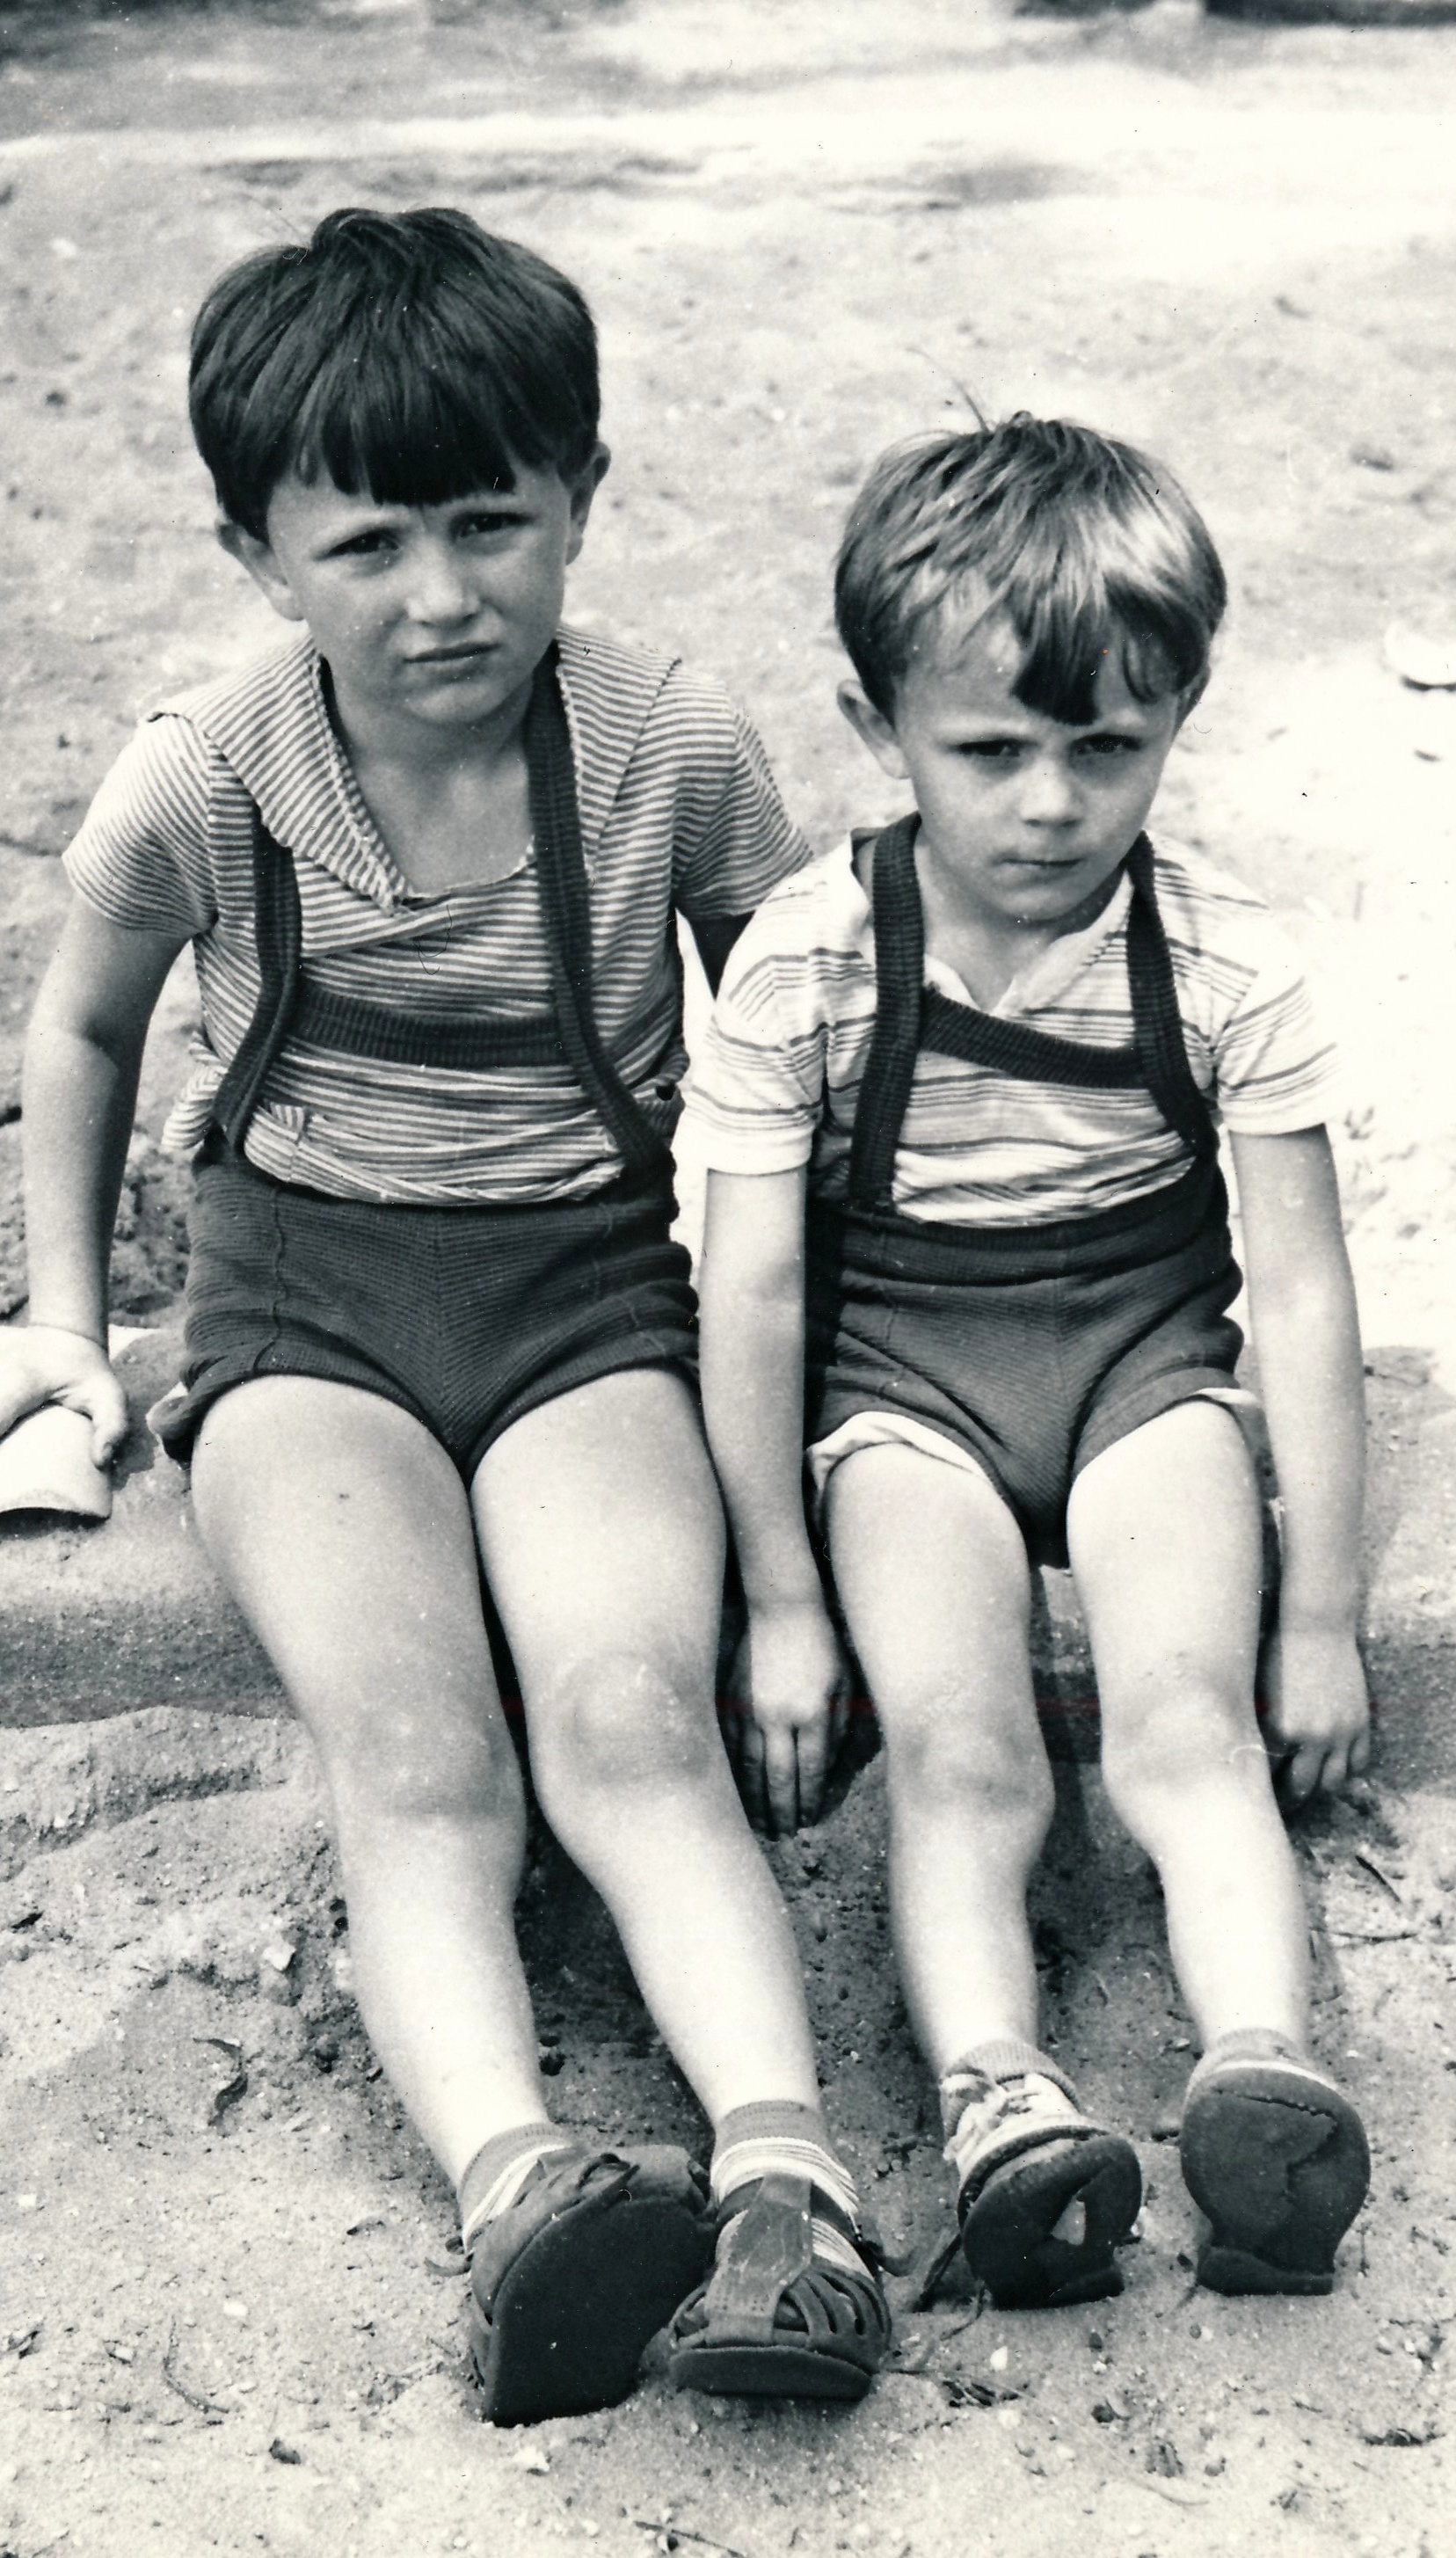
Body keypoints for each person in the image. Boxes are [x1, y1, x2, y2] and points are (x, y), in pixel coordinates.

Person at [0, 207, 890, 2418]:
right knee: (413, 1751)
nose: (441, 596)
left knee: (633, 1718)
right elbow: (85, 1028)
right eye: (367, 544)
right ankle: (522, 2194)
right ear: (256, 554)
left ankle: (790, 2193)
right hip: (303, 1319)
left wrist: (829, 1352)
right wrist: (63, 1326)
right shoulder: (211, 771)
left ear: (583, 497)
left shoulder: (669, 750)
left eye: (492, 523)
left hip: (587, 1297)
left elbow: (802, 1049)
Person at [686, 412, 1372, 2310]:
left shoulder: (1219, 954)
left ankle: (1259, 2077)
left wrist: (1323, 1612)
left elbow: (1304, 1292)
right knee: (964, 1748)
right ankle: (1000, 2093)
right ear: (877, 725)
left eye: (1108, 747)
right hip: (904, 1391)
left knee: (1187, 1726)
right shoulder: (816, 955)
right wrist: (779, 1597)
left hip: (1142, 1364)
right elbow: (753, 1287)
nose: (1053, 804)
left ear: (1177, 718)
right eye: (990, 750)